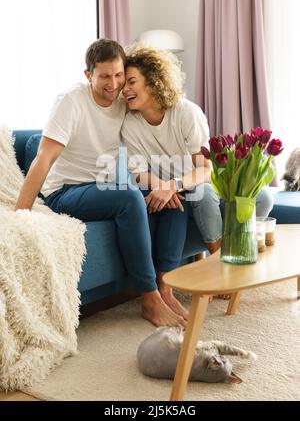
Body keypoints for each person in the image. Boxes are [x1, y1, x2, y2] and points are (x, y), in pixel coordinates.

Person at [15, 38, 188, 328]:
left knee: (169, 195)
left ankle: (165, 286)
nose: (114, 83)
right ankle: (148, 297)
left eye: (119, 75)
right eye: (105, 76)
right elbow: (43, 158)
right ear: (88, 75)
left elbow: (157, 106)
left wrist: (165, 181)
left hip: (104, 186)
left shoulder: (124, 100)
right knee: (129, 196)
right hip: (65, 192)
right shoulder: (71, 102)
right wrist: (22, 214)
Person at [121, 45, 274, 299]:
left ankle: (230, 255)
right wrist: (162, 185)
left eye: (131, 82)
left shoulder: (186, 112)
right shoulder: (131, 123)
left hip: (197, 183)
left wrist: (173, 184)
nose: (124, 89)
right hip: (182, 194)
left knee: (264, 198)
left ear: (153, 80)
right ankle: (221, 267)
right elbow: (138, 173)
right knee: (199, 195)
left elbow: (205, 169)